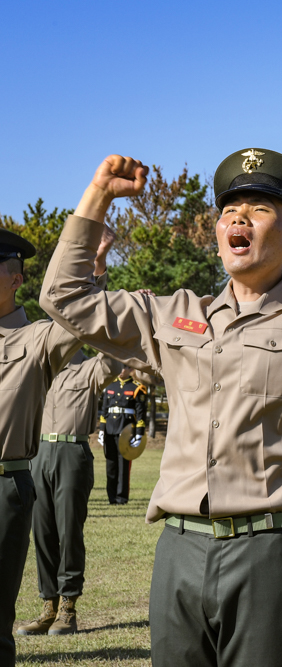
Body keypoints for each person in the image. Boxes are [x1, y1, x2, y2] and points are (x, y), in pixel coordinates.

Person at [40, 151, 282, 666]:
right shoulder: (175, 314)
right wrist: (98, 196)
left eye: (261, 209)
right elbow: (63, 299)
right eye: (230, 209)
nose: (239, 217)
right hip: (180, 549)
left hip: (272, 552)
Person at [0, 228, 108, 666]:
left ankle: (63, 604)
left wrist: (95, 267)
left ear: (14, 280)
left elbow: (81, 317)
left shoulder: (35, 340)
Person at [18, 350, 123, 637]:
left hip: (72, 452)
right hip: (38, 453)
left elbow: (115, 360)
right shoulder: (41, 368)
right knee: (42, 532)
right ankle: (48, 605)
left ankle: (68, 606)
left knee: (69, 530)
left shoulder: (90, 367)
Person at [98, 366, 148, 504]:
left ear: (130, 369)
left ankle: (121, 498)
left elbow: (141, 413)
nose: (121, 370)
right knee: (110, 465)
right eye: (119, 367)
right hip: (110, 429)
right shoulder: (109, 386)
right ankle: (111, 497)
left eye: (124, 367)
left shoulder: (136, 387)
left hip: (126, 432)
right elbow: (104, 410)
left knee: (123, 467)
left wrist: (139, 434)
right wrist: (101, 430)